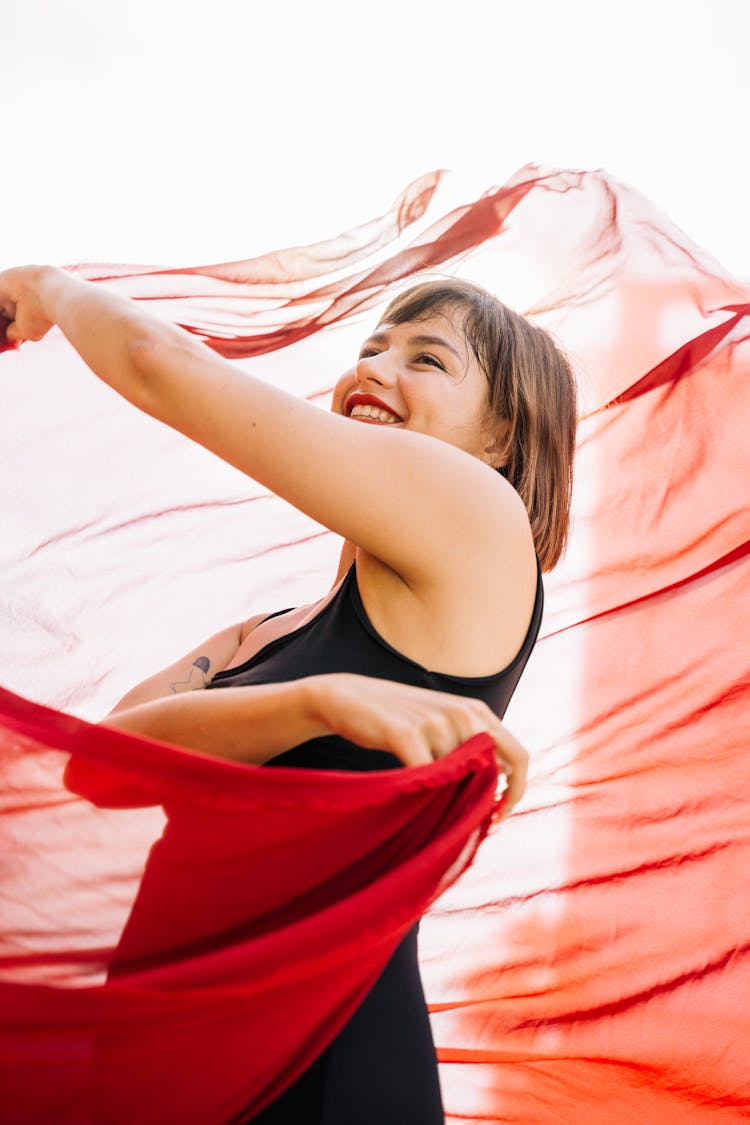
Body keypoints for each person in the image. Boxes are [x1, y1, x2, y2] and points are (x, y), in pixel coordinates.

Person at [0, 266, 577, 1123]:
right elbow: (104, 767)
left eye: (427, 359)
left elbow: (153, 359)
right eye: (372, 346)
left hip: (318, 1055)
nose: (374, 368)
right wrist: (311, 704)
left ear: (502, 437)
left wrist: (47, 287)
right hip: (167, 1044)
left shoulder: (483, 514)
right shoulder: (261, 634)